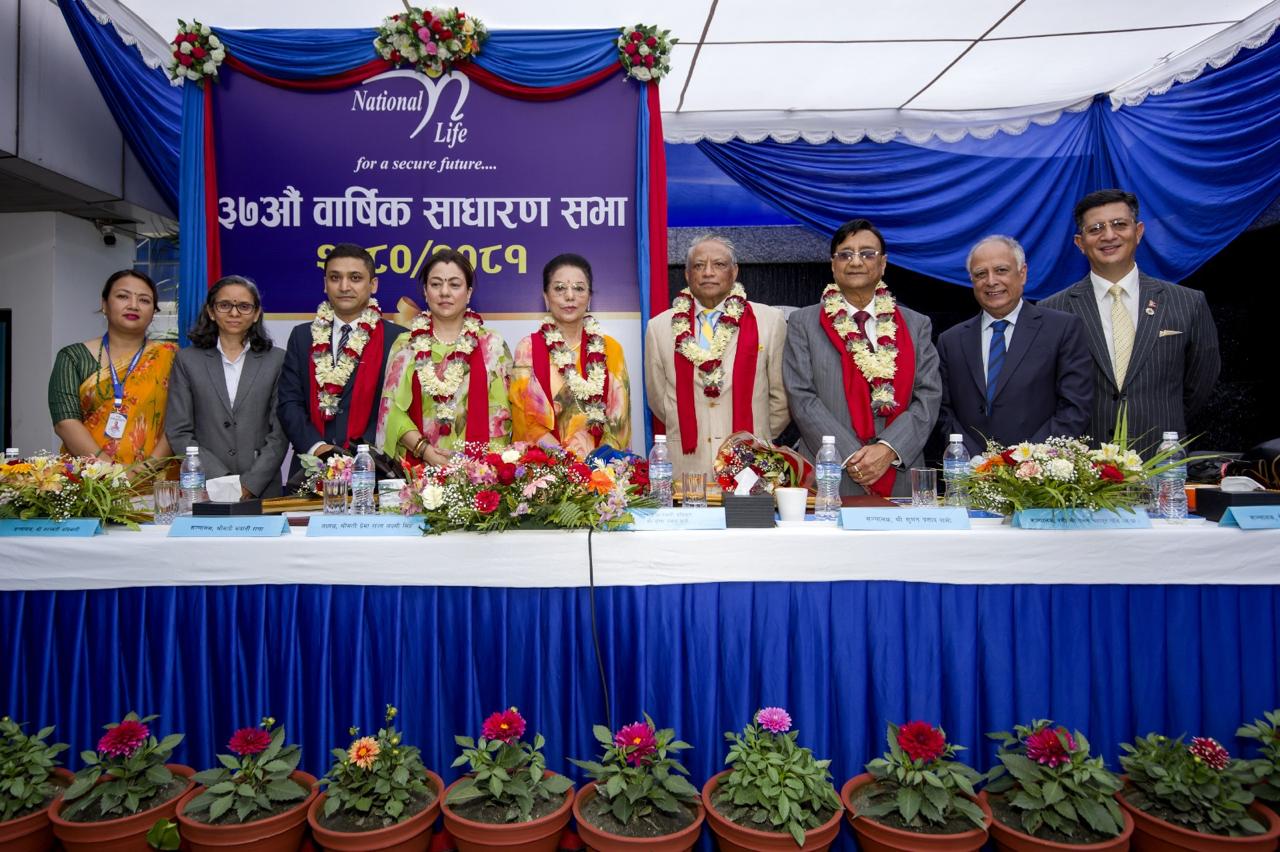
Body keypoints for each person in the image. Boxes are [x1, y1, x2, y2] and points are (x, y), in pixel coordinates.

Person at [1041, 189, 1220, 454]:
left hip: (1161, 459)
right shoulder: (1052, 310)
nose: (1108, 235)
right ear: (1080, 243)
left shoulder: (1187, 303)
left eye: (1119, 224)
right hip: (1084, 463)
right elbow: (1045, 392)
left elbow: (1200, 384)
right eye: (1096, 229)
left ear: (1138, 232)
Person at [783, 219, 941, 498]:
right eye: (845, 254)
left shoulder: (916, 325)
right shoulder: (803, 323)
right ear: (833, 265)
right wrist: (851, 456)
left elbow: (928, 395)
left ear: (883, 264)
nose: (856, 262)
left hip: (900, 472)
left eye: (867, 253)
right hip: (830, 474)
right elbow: (801, 397)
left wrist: (888, 449)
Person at [644, 235, 789, 481]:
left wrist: (757, 435)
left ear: (734, 272)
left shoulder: (769, 321)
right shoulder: (659, 327)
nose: (708, 272)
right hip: (687, 465)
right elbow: (659, 400)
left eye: (719, 265)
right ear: (687, 275)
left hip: (751, 464)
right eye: (699, 265)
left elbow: (781, 397)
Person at [937, 235, 1093, 455]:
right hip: (970, 469)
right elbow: (943, 412)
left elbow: (1074, 408)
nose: (991, 281)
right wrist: (975, 461)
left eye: (1001, 270)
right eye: (981, 274)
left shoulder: (1062, 329)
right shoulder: (950, 341)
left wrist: (1026, 460)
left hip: (1039, 469)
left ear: (1022, 273)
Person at [276, 243, 406, 474]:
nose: (344, 287)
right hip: (311, 468)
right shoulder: (302, 336)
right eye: (335, 278)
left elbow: (397, 408)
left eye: (355, 278)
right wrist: (318, 448)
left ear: (373, 284)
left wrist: (361, 455)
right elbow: (289, 402)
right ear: (325, 283)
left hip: (374, 468)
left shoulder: (397, 339)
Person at [377, 248, 512, 464]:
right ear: (425, 291)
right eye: (436, 284)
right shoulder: (406, 345)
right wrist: (426, 452)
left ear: (468, 293)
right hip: (418, 467)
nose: (445, 292)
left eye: (455, 285)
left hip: (478, 472)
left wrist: (479, 469)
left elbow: (503, 417)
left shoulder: (492, 345)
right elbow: (391, 410)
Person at [165, 275, 288, 498]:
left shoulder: (277, 360)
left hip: (262, 490)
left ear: (256, 314)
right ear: (211, 312)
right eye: (224, 305)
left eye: (244, 306)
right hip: (205, 488)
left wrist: (249, 485)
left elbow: (280, 433)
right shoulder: (187, 360)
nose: (234, 313)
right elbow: (179, 431)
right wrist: (222, 481)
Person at [48, 269, 176, 467]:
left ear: (153, 312)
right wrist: (110, 472)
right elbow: (65, 423)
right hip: (89, 479)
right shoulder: (73, 357)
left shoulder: (173, 358)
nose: (133, 305)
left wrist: (144, 470)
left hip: (156, 478)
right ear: (104, 304)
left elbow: (181, 422)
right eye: (123, 296)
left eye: (144, 300)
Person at [509, 253, 631, 457]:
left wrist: (597, 466)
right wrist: (565, 464)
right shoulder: (527, 349)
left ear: (589, 298)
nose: (569, 296)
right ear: (546, 297)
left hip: (602, 468)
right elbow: (525, 421)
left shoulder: (611, 349)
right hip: (547, 467)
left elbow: (619, 422)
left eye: (579, 288)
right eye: (559, 288)